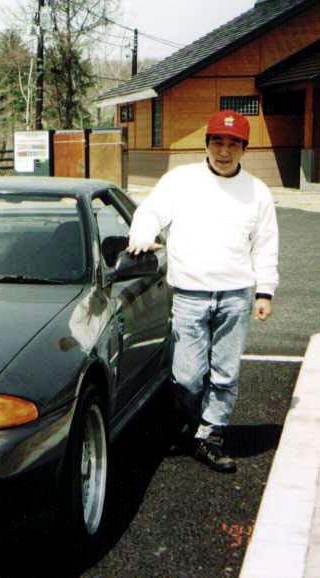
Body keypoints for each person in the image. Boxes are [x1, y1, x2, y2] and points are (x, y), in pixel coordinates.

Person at [127, 110, 279, 474]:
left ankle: (210, 435)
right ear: (206, 144)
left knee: (225, 373)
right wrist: (142, 236)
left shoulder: (257, 192)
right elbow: (149, 213)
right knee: (188, 376)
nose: (224, 151)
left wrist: (265, 291)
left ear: (244, 148)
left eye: (233, 144)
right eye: (217, 142)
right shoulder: (180, 181)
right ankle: (188, 422)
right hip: (190, 294)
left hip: (235, 295)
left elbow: (266, 244)